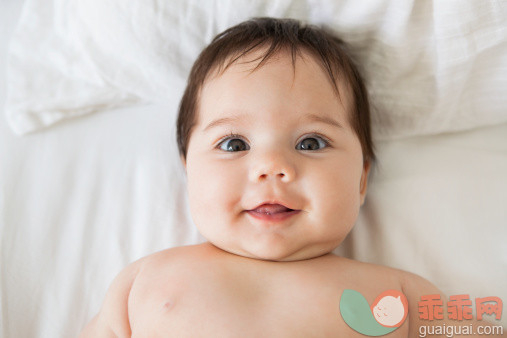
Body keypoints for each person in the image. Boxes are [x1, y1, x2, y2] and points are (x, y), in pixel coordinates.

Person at [80, 18, 495, 337]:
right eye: (234, 144)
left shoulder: (396, 295)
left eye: (311, 143)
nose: (272, 167)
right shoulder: (144, 281)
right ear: (188, 168)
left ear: (361, 180)